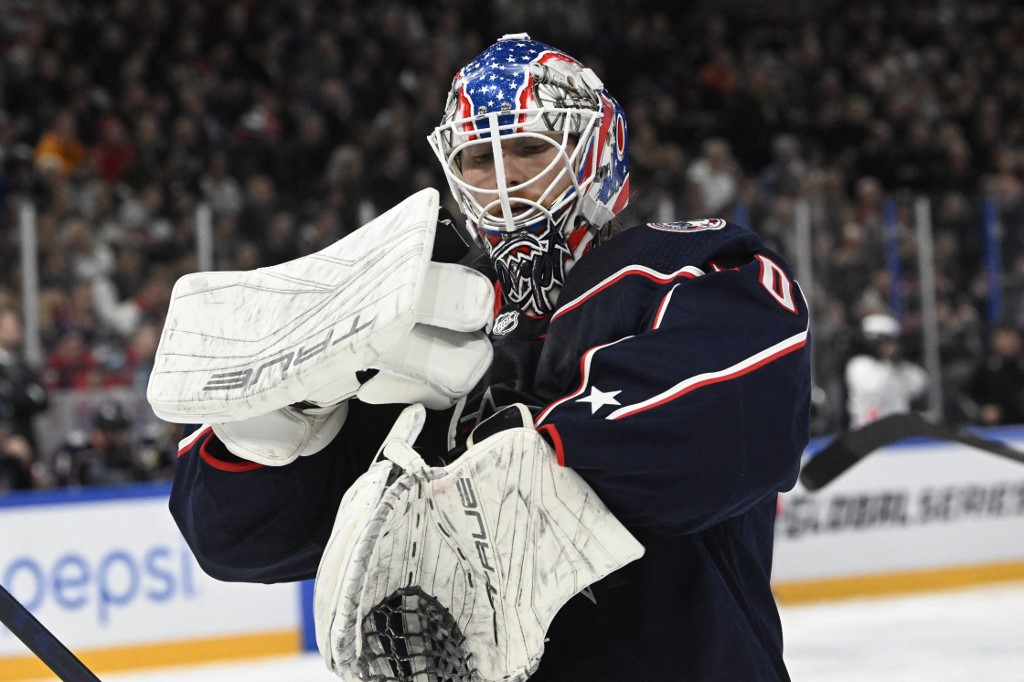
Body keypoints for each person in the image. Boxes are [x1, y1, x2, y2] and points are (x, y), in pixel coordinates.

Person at [167, 34, 811, 680]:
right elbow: (235, 544)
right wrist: (279, 421)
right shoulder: (405, 314)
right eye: (479, 157)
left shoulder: (688, 271)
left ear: (597, 157)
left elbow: (723, 432)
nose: (503, 181)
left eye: (530, 148)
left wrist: (508, 462)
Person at [844, 312, 929, 428]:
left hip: (899, 433)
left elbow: (921, 383)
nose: (893, 347)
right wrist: (894, 368)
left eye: (894, 342)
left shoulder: (901, 367)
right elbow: (873, 387)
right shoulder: (859, 365)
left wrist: (899, 365)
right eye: (887, 342)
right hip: (866, 433)